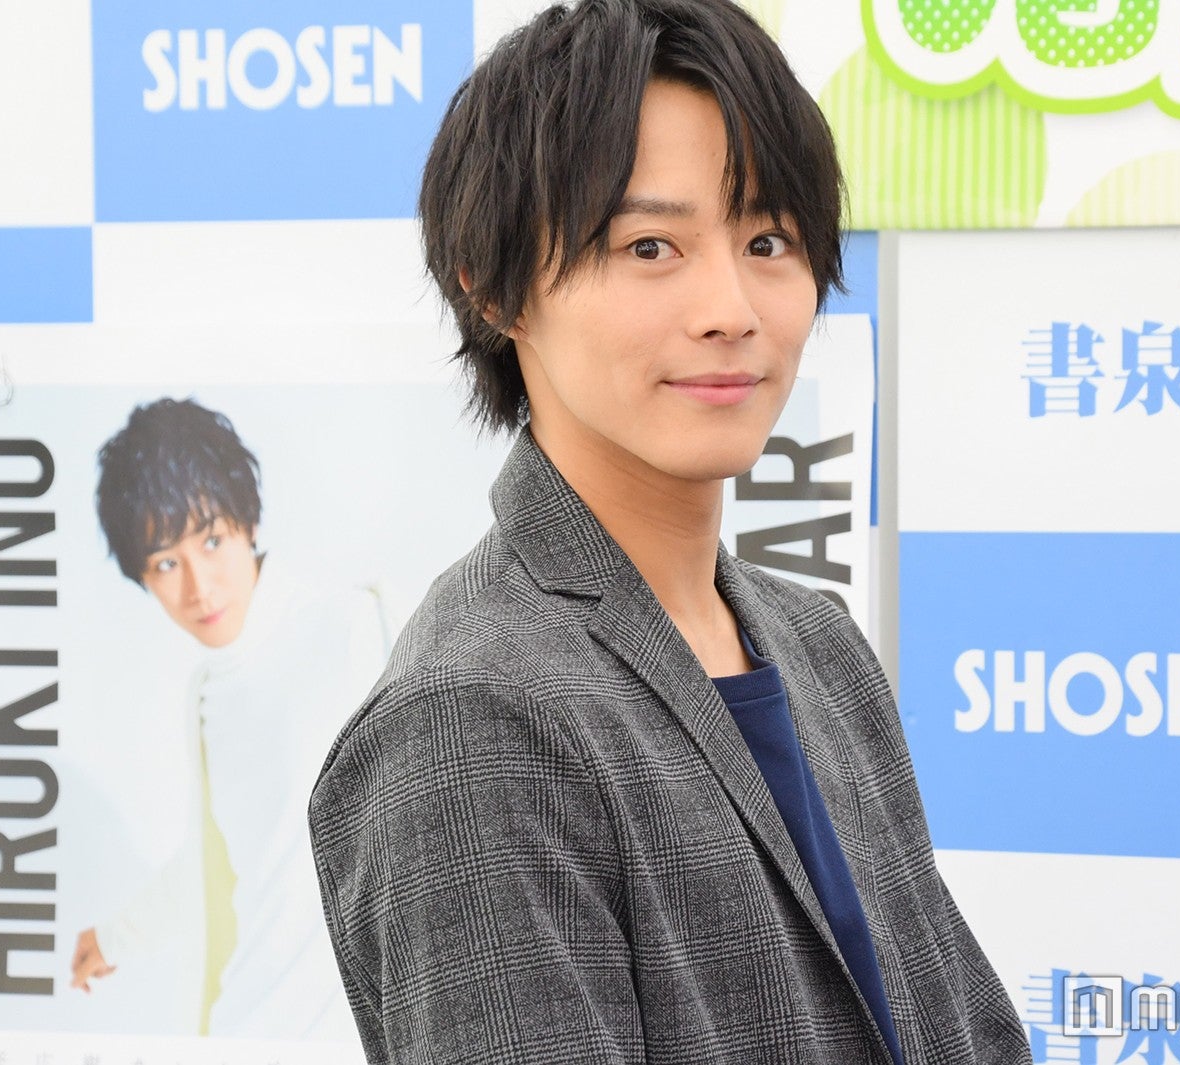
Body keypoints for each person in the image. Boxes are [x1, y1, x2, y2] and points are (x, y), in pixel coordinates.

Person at [308, 1, 1031, 1062]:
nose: (731, 308)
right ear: (496, 288)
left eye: (767, 241)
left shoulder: (819, 644)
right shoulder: (473, 717)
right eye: (650, 246)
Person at [73, 397, 384, 1041]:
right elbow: (216, 863)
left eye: (211, 541)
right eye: (166, 563)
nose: (199, 587)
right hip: (246, 1025)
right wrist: (114, 937)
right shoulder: (206, 694)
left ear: (249, 520)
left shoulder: (353, 627)